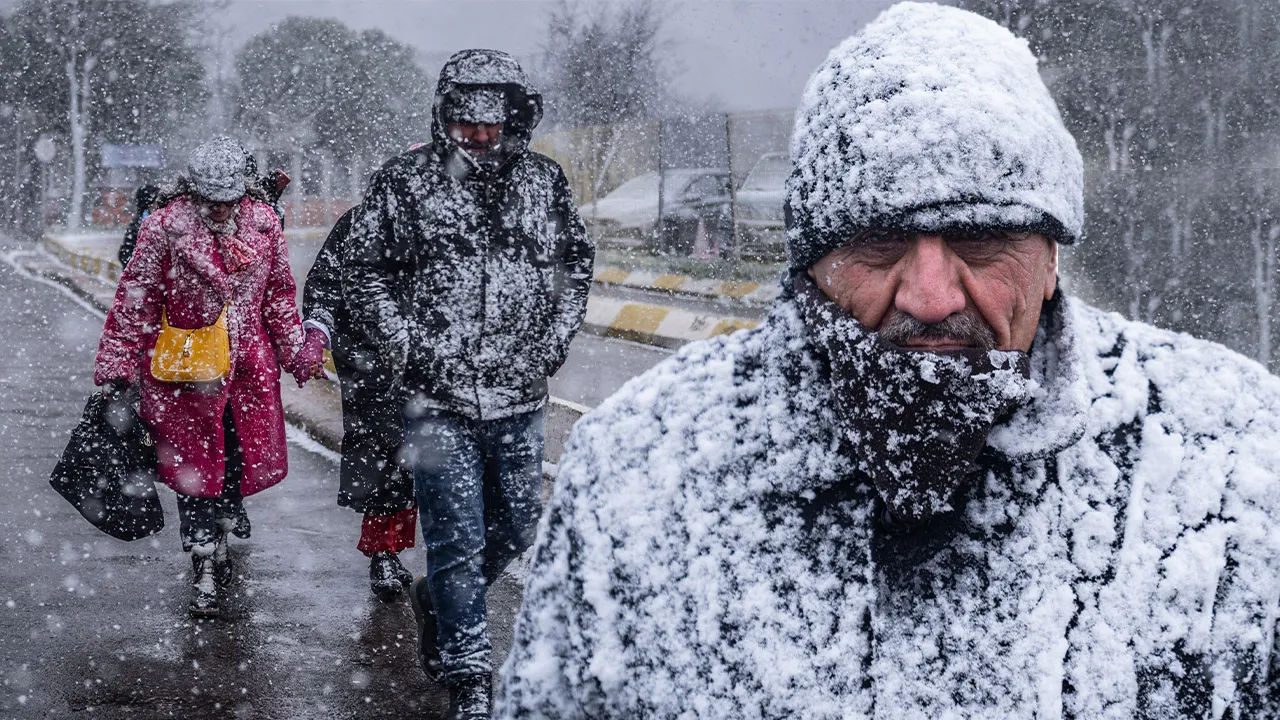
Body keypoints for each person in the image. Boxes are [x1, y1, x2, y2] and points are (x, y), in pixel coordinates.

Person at [495, 4, 1280, 718]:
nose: (932, 294)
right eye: (878, 241)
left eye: (978, 238)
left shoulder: (1238, 471)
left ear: (1048, 259)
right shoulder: (637, 474)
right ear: (810, 262)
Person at [343, 49, 593, 719]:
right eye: (465, 123)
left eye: (491, 124)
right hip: (436, 398)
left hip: (519, 394)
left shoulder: (545, 182)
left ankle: (436, 601)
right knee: (456, 538)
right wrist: (407, 348)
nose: (478, 136)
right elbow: (366, 272)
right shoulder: (405, 183)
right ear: (445, 116)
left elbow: (577, 266)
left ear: (516, 119)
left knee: (513, 527)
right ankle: (469, 680)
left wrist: (551, 342)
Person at [95, 137, 311, 619]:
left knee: (234, 454)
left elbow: (277, 295)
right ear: (193, 191)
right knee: (194, 468)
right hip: (185, 372)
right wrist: (118, 364)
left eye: (227, 199)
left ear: (242, 191)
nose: (219, 209)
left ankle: (228, 515)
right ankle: (203, 562)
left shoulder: (263, 222)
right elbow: (137, 297)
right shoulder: (164, 227)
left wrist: (295, 350)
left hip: (247, 371)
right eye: (210, 200)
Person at [296, 203, 417, 599]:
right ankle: (383, 551)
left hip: (429, 364)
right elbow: (325, 283)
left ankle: (407, 550)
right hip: (371, 361)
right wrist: (318, 332)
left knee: (421, 458)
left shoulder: (458, 220)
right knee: (383, 451)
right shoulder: (361, 222)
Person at [116, 183, 160, 267]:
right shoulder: (137, 226)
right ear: (147, 205)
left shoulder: (161, 222)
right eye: (155, 203)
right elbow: (125, 255)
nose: (158, 206)